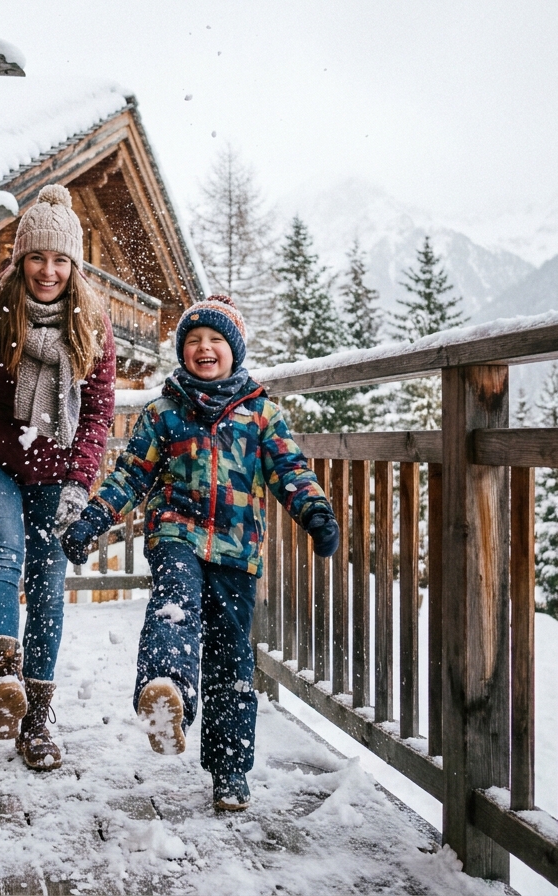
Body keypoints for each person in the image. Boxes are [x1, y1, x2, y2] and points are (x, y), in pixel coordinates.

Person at [61, 295, 340, 811]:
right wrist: (93, 520)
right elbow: (129, 477)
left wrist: (315, 512)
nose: (204, 348)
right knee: (176, 604)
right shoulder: (164, 415)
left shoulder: (261, 416)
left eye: (215, 341)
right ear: (181, 352)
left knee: (231, 658)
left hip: (236, 552)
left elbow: (291, 472)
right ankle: (165, 693)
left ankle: (230, 768)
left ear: (234, 351)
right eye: (193, 341)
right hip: (176, 535)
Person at [0, 184, 116, 770]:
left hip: (56, 469)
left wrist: (78, 483)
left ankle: (37, 717)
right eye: (38, 258)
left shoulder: (92, 324)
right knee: (4, 554)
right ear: (20, 259)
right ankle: (3, 679)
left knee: (47, 580)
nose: (48, 270)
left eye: (60, 260)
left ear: (75, 265)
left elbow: (96, 413)